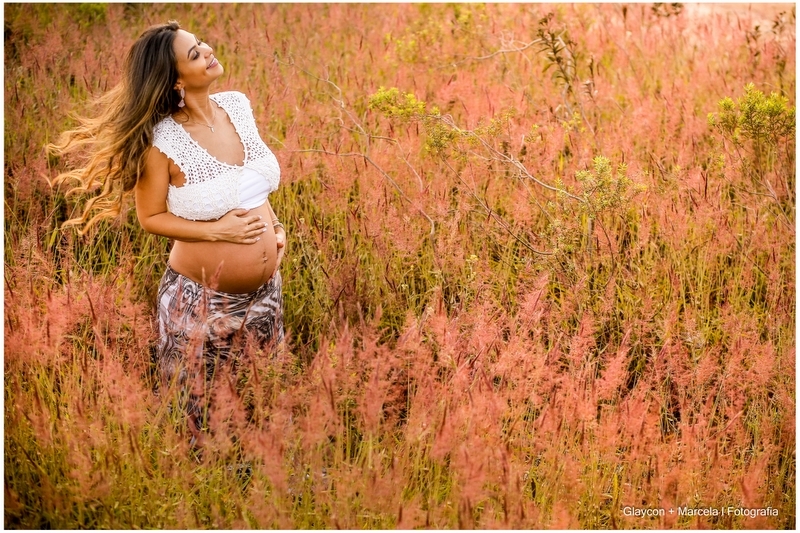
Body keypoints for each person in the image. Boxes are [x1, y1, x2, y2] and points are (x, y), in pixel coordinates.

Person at [49, 21, 286, 446]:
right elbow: (151, 217)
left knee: (262, 399)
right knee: (198, 417)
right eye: (194, 54)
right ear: (175, 78)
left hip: (267, 292)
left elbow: (253, 182)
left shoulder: (237, 106)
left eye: (200, 44)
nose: (208, 50)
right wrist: (217, 233)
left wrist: (276, 227)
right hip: (198, 302)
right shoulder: (161, 142)